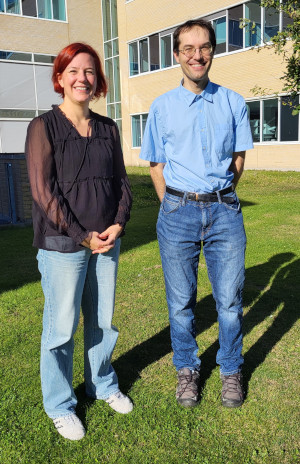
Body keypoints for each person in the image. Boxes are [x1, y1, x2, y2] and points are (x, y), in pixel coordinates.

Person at [140, 19, 253, 409]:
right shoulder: (162, 107)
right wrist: (171, 202)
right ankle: (187, 370)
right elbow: (155, 163)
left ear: (213, 51)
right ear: (176, 55)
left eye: (203, 47)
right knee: (181, 302)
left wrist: (219, 195)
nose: (197, 55)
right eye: (188, 48)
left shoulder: (233, 102)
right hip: (176, 211)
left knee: (230, 302)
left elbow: (238, 159)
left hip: (224, 210)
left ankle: (230, 369)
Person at [25, 43, 133, 441]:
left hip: (106, 242)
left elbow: (122, 182)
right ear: (60, 78)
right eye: (73, 71)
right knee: (61, 328)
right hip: (63, 245)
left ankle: (101, 384)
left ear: (97, 80)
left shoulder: (108, 128)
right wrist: (81, 235)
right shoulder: (43, 127)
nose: (81, 78)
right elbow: (43, 191)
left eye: (89, 71)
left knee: (102, 321)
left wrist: (118, 225)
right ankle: (59, 404)